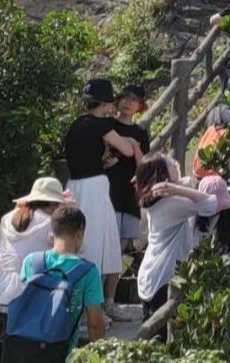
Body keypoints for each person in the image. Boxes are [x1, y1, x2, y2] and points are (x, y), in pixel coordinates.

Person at [62, 78, 142, 323]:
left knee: (81, 243)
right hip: (95, 189)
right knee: (95, 245)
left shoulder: (75, 125)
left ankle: (86, 306)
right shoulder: (100, 126)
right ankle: (91, 310)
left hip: (74, 186)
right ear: (105, 104)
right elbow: (128, 151)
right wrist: (129, 142)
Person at [3, 205, 104, 362]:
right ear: (79, 235)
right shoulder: (87, 271)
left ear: (52, 233)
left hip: (21, 347)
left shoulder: (31, 261)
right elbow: (95, 322)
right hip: (58, 352)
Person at [134, 155, 219, 320]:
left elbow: (187, 181)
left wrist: (176, 187)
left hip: (153, 273)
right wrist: (177, 189)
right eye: (171, 164)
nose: (176, 164)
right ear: (163, 175)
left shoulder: (160, 200)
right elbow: (210, 204)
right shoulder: (171, 204)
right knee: (162, 334)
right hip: (162, 276)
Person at [0, 178, 63, 319]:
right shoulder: (51, 223)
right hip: (30, 292)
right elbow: (65, 253)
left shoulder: (6, 218)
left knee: (7, 338)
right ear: (53, 204)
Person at [109, 84, 152, 256]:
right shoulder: (108, 125)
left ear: (140, 105)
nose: (128, 103)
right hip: (108, 187)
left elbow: (144, 165)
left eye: (134, 99)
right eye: (125, 97)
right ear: (118, 100)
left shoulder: (140, 132)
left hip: (129, 190)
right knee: (108, 235)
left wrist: (134, 146)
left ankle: (113, 280)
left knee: (126, 239)